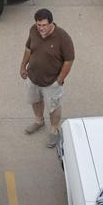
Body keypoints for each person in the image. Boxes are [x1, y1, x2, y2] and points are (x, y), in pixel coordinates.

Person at [20, 8, 74, 149]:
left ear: (51, 23)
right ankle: (39, 121)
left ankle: (54, 130)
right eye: (38, 25)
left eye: (44, 25)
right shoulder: (33, 30)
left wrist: (59, 80)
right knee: (35, 100)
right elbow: (28, 49)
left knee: (53, 107)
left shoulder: (62, 37)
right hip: (33, 77)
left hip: (52, 82)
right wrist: (23, 66)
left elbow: (69, 61)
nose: (41, 28)